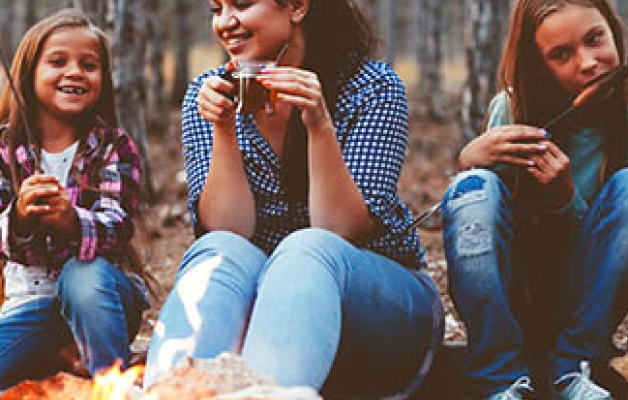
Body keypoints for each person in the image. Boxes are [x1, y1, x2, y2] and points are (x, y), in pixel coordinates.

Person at [143, 0, 443, 397]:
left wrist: (318, 124)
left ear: (298, 7)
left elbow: (340, 231)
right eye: (216, 9)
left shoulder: (371, 87)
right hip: (263, 311)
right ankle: (170, 391)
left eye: (243, 4)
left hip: (380, 310)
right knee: (216, 250)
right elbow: (229, 230)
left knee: (306, 248)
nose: (225, 23)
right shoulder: (208, 93)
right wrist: (224, 131)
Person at [441, 0, 628, 398]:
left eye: (594, 39)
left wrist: (564, 201)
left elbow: (621, 247)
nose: (587, 63)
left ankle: (574, 370)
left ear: (614, 32)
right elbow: (483, 231)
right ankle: (498, 378)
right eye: (561, 55)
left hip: (585, 306)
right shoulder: (513, 110)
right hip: (515, 294)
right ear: (539, 65)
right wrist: (468, 163)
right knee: (475, 186)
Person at [0, 9, 149, 390]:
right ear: (28, 73)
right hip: (29, 315)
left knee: (83, 275)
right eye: (58, 61)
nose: (74, 72)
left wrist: (72, 223)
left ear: (103, 80)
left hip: (102, 303)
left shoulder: (113, 147)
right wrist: (20, 216)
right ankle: (56, 357)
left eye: (88, 65)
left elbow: (118, 226)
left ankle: (114, 386)